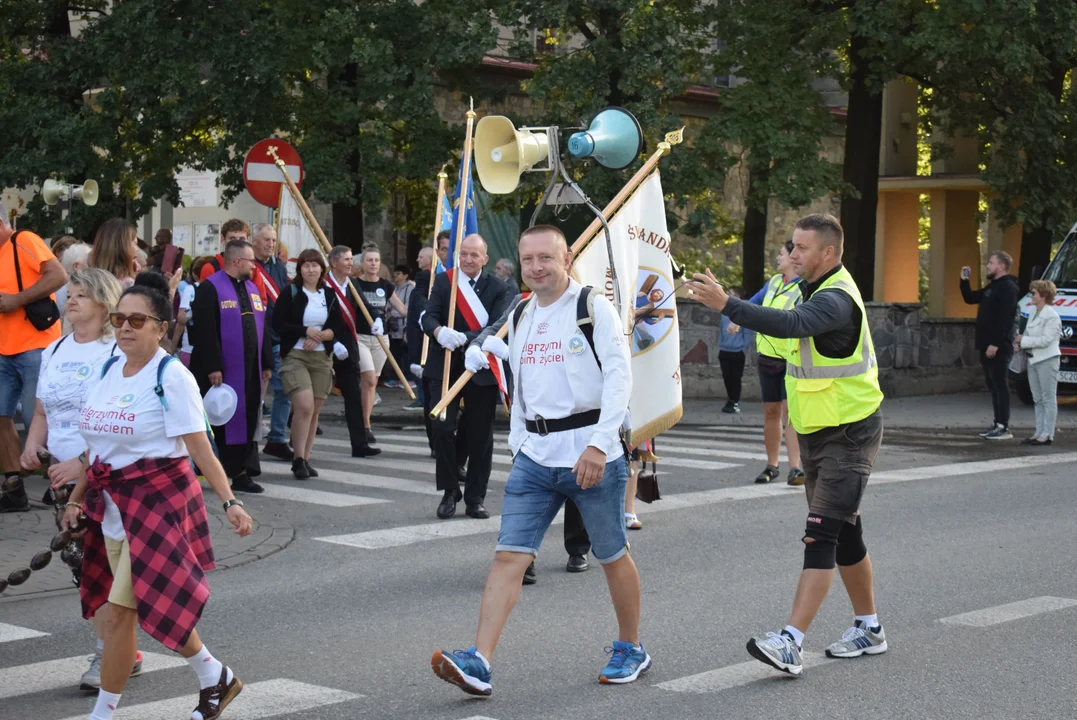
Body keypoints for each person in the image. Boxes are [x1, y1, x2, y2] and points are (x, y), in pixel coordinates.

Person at [433, 226, 647, 696]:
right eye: (528, 259)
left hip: (592, 453)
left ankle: (631, 646)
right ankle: (480, 661)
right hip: (535, 456)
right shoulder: (522, 310)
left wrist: (598, 443)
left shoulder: (593, 307)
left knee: (611, 555)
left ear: (566, 257)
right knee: (509, 555)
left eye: (545, 258)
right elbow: (523, 382)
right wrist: (518, 441)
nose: (535, 267)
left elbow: (618, 378)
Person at [687, 213, 887, 677]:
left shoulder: (835, 299)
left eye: (800, 247)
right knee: (845, 533)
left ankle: (792, 641)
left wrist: (730, 307)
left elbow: (794, 324)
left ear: (828, 253)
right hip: (818, 430)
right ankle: (870, 628)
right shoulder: (805, 289)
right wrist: (749, 325)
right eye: (791, 245)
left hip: (850, 432)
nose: (792, 253)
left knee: (820, 533)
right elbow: (783, 341)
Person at [61, 276, 254, 720]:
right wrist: (76, 499)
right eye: (119, 319)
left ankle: (102, 714)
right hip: (112, 508)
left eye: (136, 319)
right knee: (148, 600)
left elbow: (201, 447)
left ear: (161, 327)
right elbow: (97, 452)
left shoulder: (174, 376)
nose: (124, 327)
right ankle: (214, 675)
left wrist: (230, 501)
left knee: (118, 614)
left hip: (158, 506)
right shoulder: (110, 370)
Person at [19, 268, 143, 691]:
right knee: (82, 568)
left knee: (102, 565)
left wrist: (81, 464)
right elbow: (41, 411)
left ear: (104, 303)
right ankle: (123, 645)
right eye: (68, 295)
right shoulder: (54, 349)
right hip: (60, 475)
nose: (69, 302)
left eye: (80, 296)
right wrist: (32, 446)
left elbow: (120, 421)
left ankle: (108, 655)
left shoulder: (113, 355)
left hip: (103, 475)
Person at [421, 234, 510, 520]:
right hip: (445, 365)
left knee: (479, 435)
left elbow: (498, 325)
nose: (469, 260)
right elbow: (428, 316)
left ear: (485, 259)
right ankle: (450, 491)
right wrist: (439, 332)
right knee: (443, 428)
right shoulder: (446, 281)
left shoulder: (498, 288)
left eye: (475, 255)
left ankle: (475, 498)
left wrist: (467, 339)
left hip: (479, 366)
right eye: (464, 254)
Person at [190, 240, 273, 494]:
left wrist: (267, 361)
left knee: (248, 418)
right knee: (221, 421)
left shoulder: (252, 288)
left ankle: (242, 471)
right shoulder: (210, 288)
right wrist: (213, 365)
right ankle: (219, 470)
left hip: (250, 368)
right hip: (221, 371)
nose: (255, 266)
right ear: (237, 262)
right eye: (251, 261)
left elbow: (263, 327)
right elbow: (205, 330)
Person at [0, 205, 66, 512]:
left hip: (35, 347)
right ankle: (14, 488)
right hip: (3, 349)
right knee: (1, 419)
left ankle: (62, 489)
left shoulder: (23, 239)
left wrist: (17, 300)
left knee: (39, 421)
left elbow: (58, 275)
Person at [274, 249, 352, 478]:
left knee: (315, 409)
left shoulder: (328, 295)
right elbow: (278, 324)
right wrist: (305, 331)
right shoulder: (291, 292)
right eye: (306, 265)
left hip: (321, 358)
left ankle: (306, 458)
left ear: (321, 268)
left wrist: (322, 335)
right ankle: (297, 458)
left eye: (314, 265)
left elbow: (338, 326)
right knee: (304, 405)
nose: (310, 270)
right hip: (295, 356)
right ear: (299, 270)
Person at [748, 240, 804, 485]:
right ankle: (772, 466)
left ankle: (795, 468)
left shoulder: (805, 286)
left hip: (792, 358)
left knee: (789, 412)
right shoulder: (772, 283)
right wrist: (736, 318)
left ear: (793, 257)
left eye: (781, 253)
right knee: (771, 411)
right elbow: (751, 305)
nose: (777, 258)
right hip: (768, 358)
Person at [324, 246, 380, 458]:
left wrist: (377, 320)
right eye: (346, 260)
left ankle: (360, 444)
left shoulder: (353, 284)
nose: (351, 263)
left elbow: (367, 307)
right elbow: (317, 317)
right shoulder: (323, 285)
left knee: (354, 396)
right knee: (315, 395)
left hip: (348, 349)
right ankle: (296, 435)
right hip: (325, 346)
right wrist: (333, 342)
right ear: (334, 262)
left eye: (351, 259)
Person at [960, 251, 1019, 440]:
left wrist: (995, 343)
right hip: (986, 344)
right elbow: (970, 298)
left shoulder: (1008, 287)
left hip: (998, 345)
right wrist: (964, 281)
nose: (987, 266)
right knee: (993, 385)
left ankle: (1004, 426)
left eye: (991, 263)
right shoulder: (992, 287)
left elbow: (1005, 318)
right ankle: (997, 423)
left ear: (1001, 266)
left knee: (1000, 384)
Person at [352, 246, 406, 443]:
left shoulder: (386, 285)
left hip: (381, 340)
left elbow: (401, 308)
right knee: (369, 379)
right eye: (369, 260)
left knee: (370, 383)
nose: (373, 263)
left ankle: (365, 422)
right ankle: (365, 426)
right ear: (362, 263)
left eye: (376, 260)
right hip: (361, 337)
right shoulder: (355, 284)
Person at [250, 223, 293, 462]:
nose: (270, 244)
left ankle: (276, 438)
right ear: (254, 241)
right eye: (266, 240)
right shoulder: (248, 266)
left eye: (274, 240)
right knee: (256, 393)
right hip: (256, 337)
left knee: (284, 389)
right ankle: (252, 439)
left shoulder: (279, 268)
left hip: (278, 337)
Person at [1015, 279, 1062, 446]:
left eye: (1033, 293)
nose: (1031, 296)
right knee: (1037, 398)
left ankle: (1047, 434)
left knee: (1048, 398)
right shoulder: (1033, 312)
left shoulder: (1052, 316)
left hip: (1047, 360)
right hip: (1033, 360)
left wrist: (1023, 340)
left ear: (1043, 295)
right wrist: (1018, 343)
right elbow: (1027, 334)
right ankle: (1039, 431)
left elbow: (1046, 340)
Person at [197, 219, 269, 303]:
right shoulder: (211, 268)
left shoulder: (253, 269)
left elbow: (261, 302)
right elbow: (205, 302)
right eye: (232, 238)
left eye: (242, 239)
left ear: (247, 241)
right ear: (223, 240)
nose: (237, 243)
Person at [404, 247, 435, 413]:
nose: (417, 260)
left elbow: (419, 302)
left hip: (421, 330)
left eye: (421, 257)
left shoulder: (425, 277)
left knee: (420, 365)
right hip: (418, 328)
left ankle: (423, 399)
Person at [718, 287, 751, 414]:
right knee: (727, 377)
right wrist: (721, 345)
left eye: (731, 295)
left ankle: (735, 401)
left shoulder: (743, 313)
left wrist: (743, 347)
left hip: (737, 352)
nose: (728, 297)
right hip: (724, 350)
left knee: (736, 378)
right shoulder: (724, 313)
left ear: (738, 297)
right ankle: (730, 399)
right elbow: (721, 330)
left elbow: (747, 333)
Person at [89, 218, 140, 288]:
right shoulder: (129, 285)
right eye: (135, 243)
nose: (137, 249)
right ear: (122, 247)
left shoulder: (87, 282)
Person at [386, 263, 415, 388]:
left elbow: (409, 307)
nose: (395, 276)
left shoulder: (410, 288)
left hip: (404, 324)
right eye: (395, 273)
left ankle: (409, 378)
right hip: (393, 326)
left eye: (398, 274)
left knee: (406, 353)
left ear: (405, 276)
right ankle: (395, 377)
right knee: (395, 352)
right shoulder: (394, 288)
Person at [56, 242, 92, 318]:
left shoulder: (59, 287)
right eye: (88, 260)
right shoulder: (63, 291)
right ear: (76, 265)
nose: (92, 263)